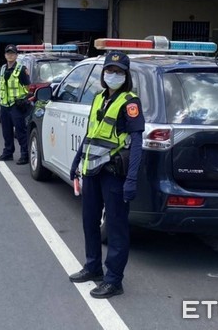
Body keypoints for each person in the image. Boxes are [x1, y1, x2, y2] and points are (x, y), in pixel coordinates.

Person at [68, 51, 145, 299]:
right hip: (91, 170)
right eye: (110, 70)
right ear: (103, 73)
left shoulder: (130, 102)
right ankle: (93, 268)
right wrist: (77, 159)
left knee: (116, 227)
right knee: (89, 221)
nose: (113, 75)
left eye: (119, 71)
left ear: (126, 75)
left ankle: (114, 280)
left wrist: (132, 179)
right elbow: (92, 133)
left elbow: (137, 141)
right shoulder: (99, 97)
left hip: (113, 174)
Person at [0, 44, 31, 165]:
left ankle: (25, 155)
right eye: (8, 53)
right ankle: (8, 153)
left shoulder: (21, 69)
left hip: (17, 105)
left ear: (16, 55)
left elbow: (27, 87)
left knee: (20, 131)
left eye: (13, 53)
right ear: (5, 55)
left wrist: (23, 98)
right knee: (6, 131)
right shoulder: (3, 68)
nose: (10, 55)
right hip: (5, 106)